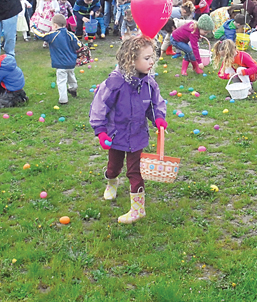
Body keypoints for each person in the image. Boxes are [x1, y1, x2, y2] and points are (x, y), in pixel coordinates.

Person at [89, 35, 167, 224]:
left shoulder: (149, 83)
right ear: (132, 60)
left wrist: (158, 117)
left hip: (137, 135)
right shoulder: (114, 83)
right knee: (113, 167)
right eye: (147, 58)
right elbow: (99, 106)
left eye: (152, 57)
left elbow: (156, 103)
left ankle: (138, 209)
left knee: (135, 172)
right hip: (116, 135)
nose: (152, 62)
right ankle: (111, 182)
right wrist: (101, 131)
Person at [31, 14, 82, 104]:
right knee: (71, 76)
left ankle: (63, 99)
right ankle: (73, 88)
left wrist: (34, 27)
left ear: (55, 25)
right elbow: (79, 45)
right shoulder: (71, 34)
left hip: (60, 64)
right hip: (71, 62)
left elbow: (41, 35)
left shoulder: (53, 35)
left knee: (61, 81)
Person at [0, 43, 28, 108]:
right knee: (1, 85)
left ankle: (15, 100)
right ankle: (21, 96)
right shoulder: (6, 59)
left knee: (1, 105)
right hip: (18, 84)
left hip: (12, 88)